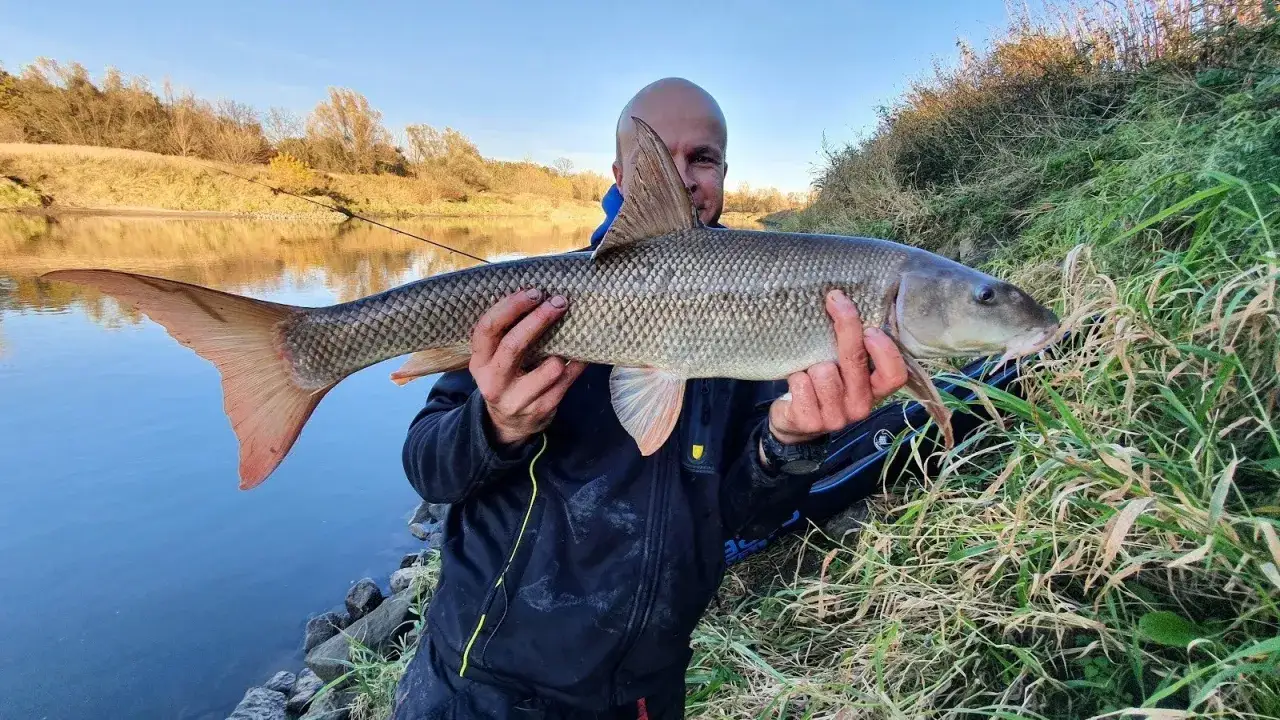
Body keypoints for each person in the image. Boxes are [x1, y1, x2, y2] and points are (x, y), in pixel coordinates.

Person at [391, 77, 909, 720]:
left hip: (645, 692)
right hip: (481, 689)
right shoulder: (526, 306)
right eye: (657, 160)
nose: (685, 177)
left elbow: (746, 522)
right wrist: (494, 424)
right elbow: (427, 469)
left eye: (703, 158)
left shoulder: (769, 320)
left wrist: (791, 447)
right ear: (617, 174)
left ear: (724, 172)